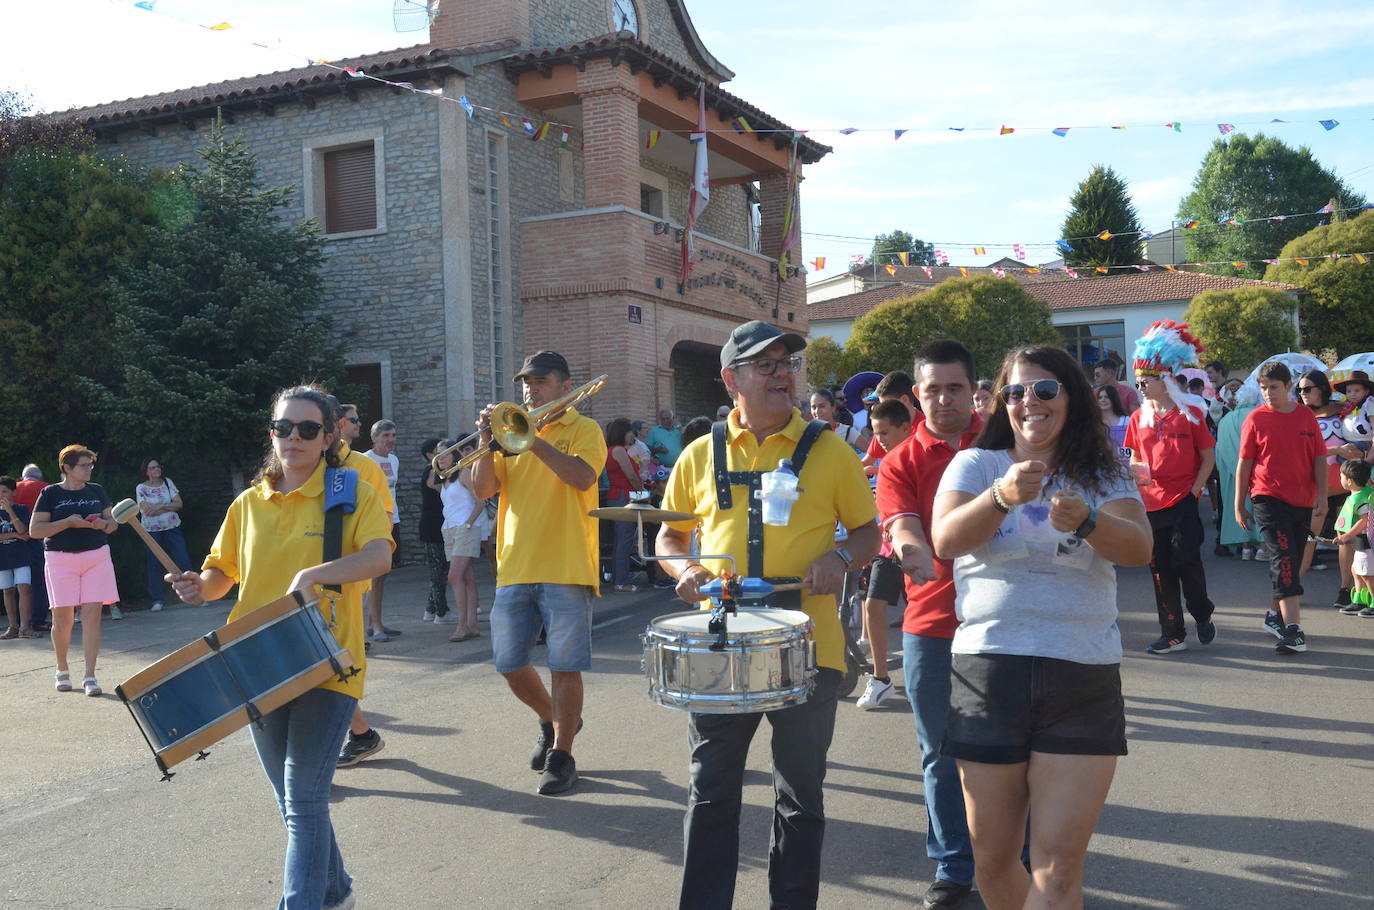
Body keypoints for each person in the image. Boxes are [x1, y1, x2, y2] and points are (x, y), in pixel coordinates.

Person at [656, 319, 880, 910]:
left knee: (801, 796)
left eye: (787, 363)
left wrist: (838, 556)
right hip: (722, 641)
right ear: (732, 379)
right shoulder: (699, 454)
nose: (783, 373)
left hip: (810, 641)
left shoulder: (831, 451)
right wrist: (685, 573)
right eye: (767, 364)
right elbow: (670, 539)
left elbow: (867, 533)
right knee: (710, 793)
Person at [930, 344, 1151, 910]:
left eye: (1045, 389)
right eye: (1015, 391)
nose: (1030, 401)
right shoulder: (977, 465)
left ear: (1070, 397)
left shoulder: (1105, 472)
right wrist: (1000, 497)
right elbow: (946, 540)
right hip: (989, 668)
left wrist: (1090, 519)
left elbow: (1138, 549)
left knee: (1056, 867)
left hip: (1081, 671)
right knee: (994, 859)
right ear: (1002, 403)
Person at [168, 384, 392, 910]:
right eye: (283, 428)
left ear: (329, 435)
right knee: (295, 803)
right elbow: (222, 574)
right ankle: (336, 892)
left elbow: (379, 556)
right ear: (272, 434)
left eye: (308, 429)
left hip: (327, 660)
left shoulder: (350, 490)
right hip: (254, 662)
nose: (294, 438)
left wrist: (314, 573)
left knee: (306, 799)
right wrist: (199, 587)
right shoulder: (249, 502)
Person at [876, 340, 985, 909]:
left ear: (974, 390)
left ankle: (1018, 855)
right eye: (932, 389)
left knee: (1010, 749)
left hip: (1006, 626)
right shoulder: (899, 461)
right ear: (916, 395)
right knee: (939, 752)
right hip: (932, 624)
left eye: (955, 387)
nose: (944, 398)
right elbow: (901, 524)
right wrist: (911, 549)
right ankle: (952, 865)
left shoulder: (1003, 444)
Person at [471, 350, 607, 795]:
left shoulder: (585, 430)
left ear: (565, 387)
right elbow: (482, 489)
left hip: (566, 563)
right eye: (526, 382)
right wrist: (485, 443)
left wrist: (531, 439)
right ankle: (555, 720)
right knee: (510, 664)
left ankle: (562, 754)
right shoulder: (508, 434)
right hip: (515, 564)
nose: (530, 389)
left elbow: (582, 478)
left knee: (565, 665)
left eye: (541, 381)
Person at [1124, 321, 1216, 655]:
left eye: (1146, 381)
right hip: (1150, 504)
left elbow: (1208, 458)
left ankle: (1202, 612)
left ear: (1164, 381)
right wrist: (1135, 474)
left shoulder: (1190, 414)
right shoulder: (1138, 419)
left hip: (1184, 501)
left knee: (1187, 563)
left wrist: (1195, 491)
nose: (1141, 387)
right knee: (1160, 570)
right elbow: (1134, 454)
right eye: (1138, 383)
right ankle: (1173, 632)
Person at [1236, 361, 1328, 654]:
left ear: (1289, 387)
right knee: (1284, 558)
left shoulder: (1305, 417)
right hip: (1267, 497)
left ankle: (1274, 615)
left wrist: (1322, 496)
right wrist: (1239, 503)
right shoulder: (1255, 419)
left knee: (1293, 560)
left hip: (1301, 499)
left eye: (1273, 387)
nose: (1268, 393)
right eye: (1263, 388)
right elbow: (1245, 463)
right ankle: (1294, 630)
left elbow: (1318, 457)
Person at [28, 446, 122, 696]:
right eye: (83, 465)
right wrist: (68, 522)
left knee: (92, 617)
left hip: (96, 557)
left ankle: (90, 675)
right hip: (60, 559)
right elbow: (35, 530)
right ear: (67, 468)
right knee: (63, 619)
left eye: (90, 465)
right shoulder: (50, 493)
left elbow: (113, 523)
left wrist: (104, 524)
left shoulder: (97, 490)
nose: (89, 469)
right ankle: (62, 669)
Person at [854, 398, 912, 712]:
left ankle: (940, 669)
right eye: (876, 433)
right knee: (873, 605)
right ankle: (880, 678)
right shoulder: (883, 461)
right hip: (887, 548)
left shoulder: (922, 457)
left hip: (918, 549)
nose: (880, 440)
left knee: (922, 616)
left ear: (906, 427)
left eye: (885, 432)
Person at [1298, 370, 1349, 596]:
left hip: (1347, 484)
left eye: (1307, 389)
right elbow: (1303, 453)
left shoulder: (1343, 409)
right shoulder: (1299, 416)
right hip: (1317, 488)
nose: (1303, 394)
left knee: (1349, 539)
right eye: (1299, 390)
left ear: (1322, 388)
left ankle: (1346, 590)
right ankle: (1290, 590)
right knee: (1308, 539)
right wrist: (1338, 449)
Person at [433, 439, 484, 642]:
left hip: (464, 528)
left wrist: (469, 523)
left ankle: (462, 626)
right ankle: (472, 625)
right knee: (466, 578)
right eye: (438, 455)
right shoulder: (444, 479)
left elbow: (481, 500)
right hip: (449, 529)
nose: (441, 458)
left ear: (454, 455)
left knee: (454, 577)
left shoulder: (464, 473)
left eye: (445, 454)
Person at [135, 457, 193, 611]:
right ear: (146, 471)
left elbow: (179, 504)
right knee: (154, 563)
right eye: (153, 468)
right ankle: (157, 600)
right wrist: (168, 506)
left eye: (158, 467)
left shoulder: (168, 482)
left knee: (182, 559)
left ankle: (194, 594)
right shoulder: (141, 488)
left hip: (172, 527)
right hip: (151, 531)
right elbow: (147, 511)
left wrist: (159, 506)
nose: (157, 469)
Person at [362, 419, 401, 642]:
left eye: (393, 435)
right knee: (376, 576)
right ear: (374, 438)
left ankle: (375, 621)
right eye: (386, 436)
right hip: (374, 522)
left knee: (384, 575)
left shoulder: (394, 460)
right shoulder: (366, 460)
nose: (390, 440)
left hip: (392, 519)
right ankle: (376, 626)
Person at [1215, 384, 1264, 560]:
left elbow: (1219, 451)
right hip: (1257, 472)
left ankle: (1245, 549)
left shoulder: (1225, 421)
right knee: (1258, 508)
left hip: (1230, 473)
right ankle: (1261, 548)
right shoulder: (1258, 416)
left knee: (1238, 508)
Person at [605, 417, 646, 594]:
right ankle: (621, 581)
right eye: (630, 432)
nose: (632, 436)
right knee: (625, 540)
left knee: (621, 540)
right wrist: (642, 494)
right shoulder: (619, 450)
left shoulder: (611, 450)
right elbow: (630, 476)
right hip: (624, 496)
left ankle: (619, 578)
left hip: (619, 495)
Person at [417, 437, 452, 624]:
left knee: (441, 569)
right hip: (432, 526)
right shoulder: (432, 471)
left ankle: (430, 610)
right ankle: (440, 612)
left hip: (438, 525)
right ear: (430, 455)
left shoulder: (436, 471)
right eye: (437, 453)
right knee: (438, 571)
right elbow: (435, 486)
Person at [1334, 460, 1374, 617]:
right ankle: (1360, 600)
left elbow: (1363, 520)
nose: (1340, 479)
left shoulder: (1362, 498)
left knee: (1367, 573)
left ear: (1349, 480)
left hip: (1366, 542)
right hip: (1358, 543)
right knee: (1356, 570)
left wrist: (1346, 535)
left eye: (1341, 476)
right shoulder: (1359, 494)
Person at [15, 465, 49, 632]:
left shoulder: (13, 488)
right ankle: (38, 619)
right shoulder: (46, 488)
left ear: (23, 477)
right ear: (39, 476)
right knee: (39, 580)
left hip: (15, 538)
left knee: (18, 582)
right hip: (37, 537)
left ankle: (20, 620)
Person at [0, 477, 35, 639]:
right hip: (3, 558)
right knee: (7, 590)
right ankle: (12, 626)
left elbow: (25, 533)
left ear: (13, 492)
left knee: (24, 589)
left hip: (21, 556)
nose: (1, 496)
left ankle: (25, 627)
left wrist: (10, 512)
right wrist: (14, 534)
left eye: (4, 492)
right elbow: (19, 532)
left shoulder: (21, 509)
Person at [1096, 383, 1130, 448]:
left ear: (1114, 399)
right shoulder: (1094, 422)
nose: (1103, 400)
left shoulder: (1127, 421)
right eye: (1100, 398)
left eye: (1107, 397)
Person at [629, 420, 655, 485]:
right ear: (638, 431)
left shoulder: (642, 444)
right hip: (641, 481)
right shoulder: (637, 445)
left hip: (646, 480)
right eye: (645, 428)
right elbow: (645, 464)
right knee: (642, 495)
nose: (648, 430)